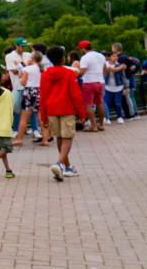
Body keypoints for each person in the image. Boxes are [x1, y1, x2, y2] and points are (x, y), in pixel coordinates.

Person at [40, 46, 87, 181]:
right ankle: (60, 164)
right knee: (67, 137)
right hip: (66, 109)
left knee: (59, 137)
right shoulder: (69, 74)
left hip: (51, 109)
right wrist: (81, 113)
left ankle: (67, 167)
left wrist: (43, 116)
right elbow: (75, 95)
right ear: (62, 58)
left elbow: (42, 96)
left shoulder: (45, 75)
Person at [13, 52, 43, 145]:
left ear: (32, 58)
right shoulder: (42, 68)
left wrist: (21, 76)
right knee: (41, 117)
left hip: (29, 92)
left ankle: (19, 139)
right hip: (39, 91)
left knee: (24, 118)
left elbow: (23, 82)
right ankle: (46, 138)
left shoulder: (27, 69)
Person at [77, 40, 107, 132]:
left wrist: (73, 75)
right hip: (100, 82)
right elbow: (105, 69)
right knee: (99, 103)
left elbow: (82, 72)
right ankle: (101, 124)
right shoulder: (101, 55)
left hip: (89, 82)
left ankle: (93, 126)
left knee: (88, 105)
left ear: (83, 48)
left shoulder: (85, 57)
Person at [103, 51, 128, 124]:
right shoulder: (106, 64)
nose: (116, 57)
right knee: (106, 103)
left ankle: (120, 117)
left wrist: (126, 87)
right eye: (114, 56)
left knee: (118, 103)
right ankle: (107, 118)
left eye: (117, 56)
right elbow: (110, 70)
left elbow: (123, 76)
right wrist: (121, 67)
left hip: (118, 86)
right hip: (107, 86)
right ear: (109, 57)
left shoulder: (119, 64)